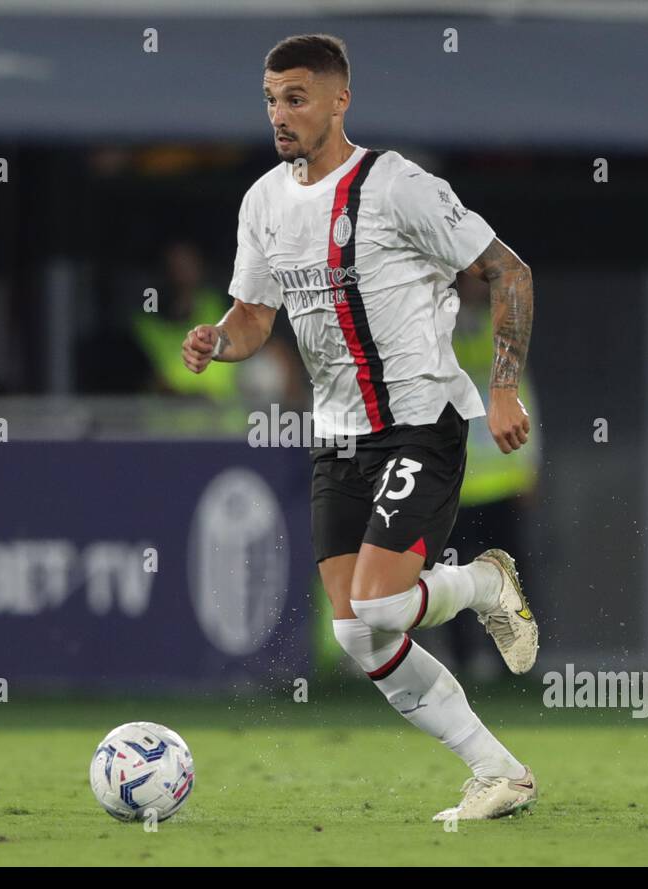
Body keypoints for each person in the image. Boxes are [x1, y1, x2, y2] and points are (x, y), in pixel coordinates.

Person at [182, 34, 539, 822]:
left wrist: (503, 387)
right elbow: (252, 316)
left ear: (341, 99)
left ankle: (483, 582)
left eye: (298, 97)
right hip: (338, 437)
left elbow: (508, 270)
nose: (281, 114)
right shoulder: (264, 202)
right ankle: (500, 773)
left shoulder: (395, 183)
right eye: (272, 98)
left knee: (380, 609)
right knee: (356, 637)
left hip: (420, 420)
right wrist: (218, 339)